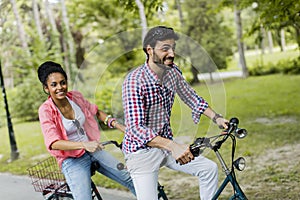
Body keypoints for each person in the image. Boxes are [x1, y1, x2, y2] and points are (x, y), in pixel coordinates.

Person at [122, 25, 229, 200]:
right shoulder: (134, 81)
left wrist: (216, 117)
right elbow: (135, 129)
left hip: (167, 146)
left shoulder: (172, 72)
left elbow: (191, 96)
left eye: (173, 48)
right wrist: (173, 146)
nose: (171, 53)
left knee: (208, 169)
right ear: (150, 50)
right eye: (165, 48)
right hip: (141, 152)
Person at [37, 61, 135, 200]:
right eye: (54, 85)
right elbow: (53, 142)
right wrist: (84, 145)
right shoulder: (46, 110)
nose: (60, 87)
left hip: (94, 150)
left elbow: (96, 111)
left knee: (129, 178)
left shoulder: (75, 97)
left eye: (63, 82)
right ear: (46, 88)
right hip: (72, 160)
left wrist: (120, 127)